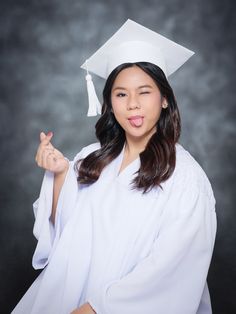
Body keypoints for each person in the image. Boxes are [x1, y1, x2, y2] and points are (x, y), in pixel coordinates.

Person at [12, 19, 216, 314]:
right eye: (121, 94)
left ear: (165, 100)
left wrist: (97, 308)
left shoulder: (185, 178)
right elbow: (63, 240)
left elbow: (174, 267)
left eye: (144, 92)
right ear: (109, 102)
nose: (132, 104)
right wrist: (58, 175)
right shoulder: (90, 158)